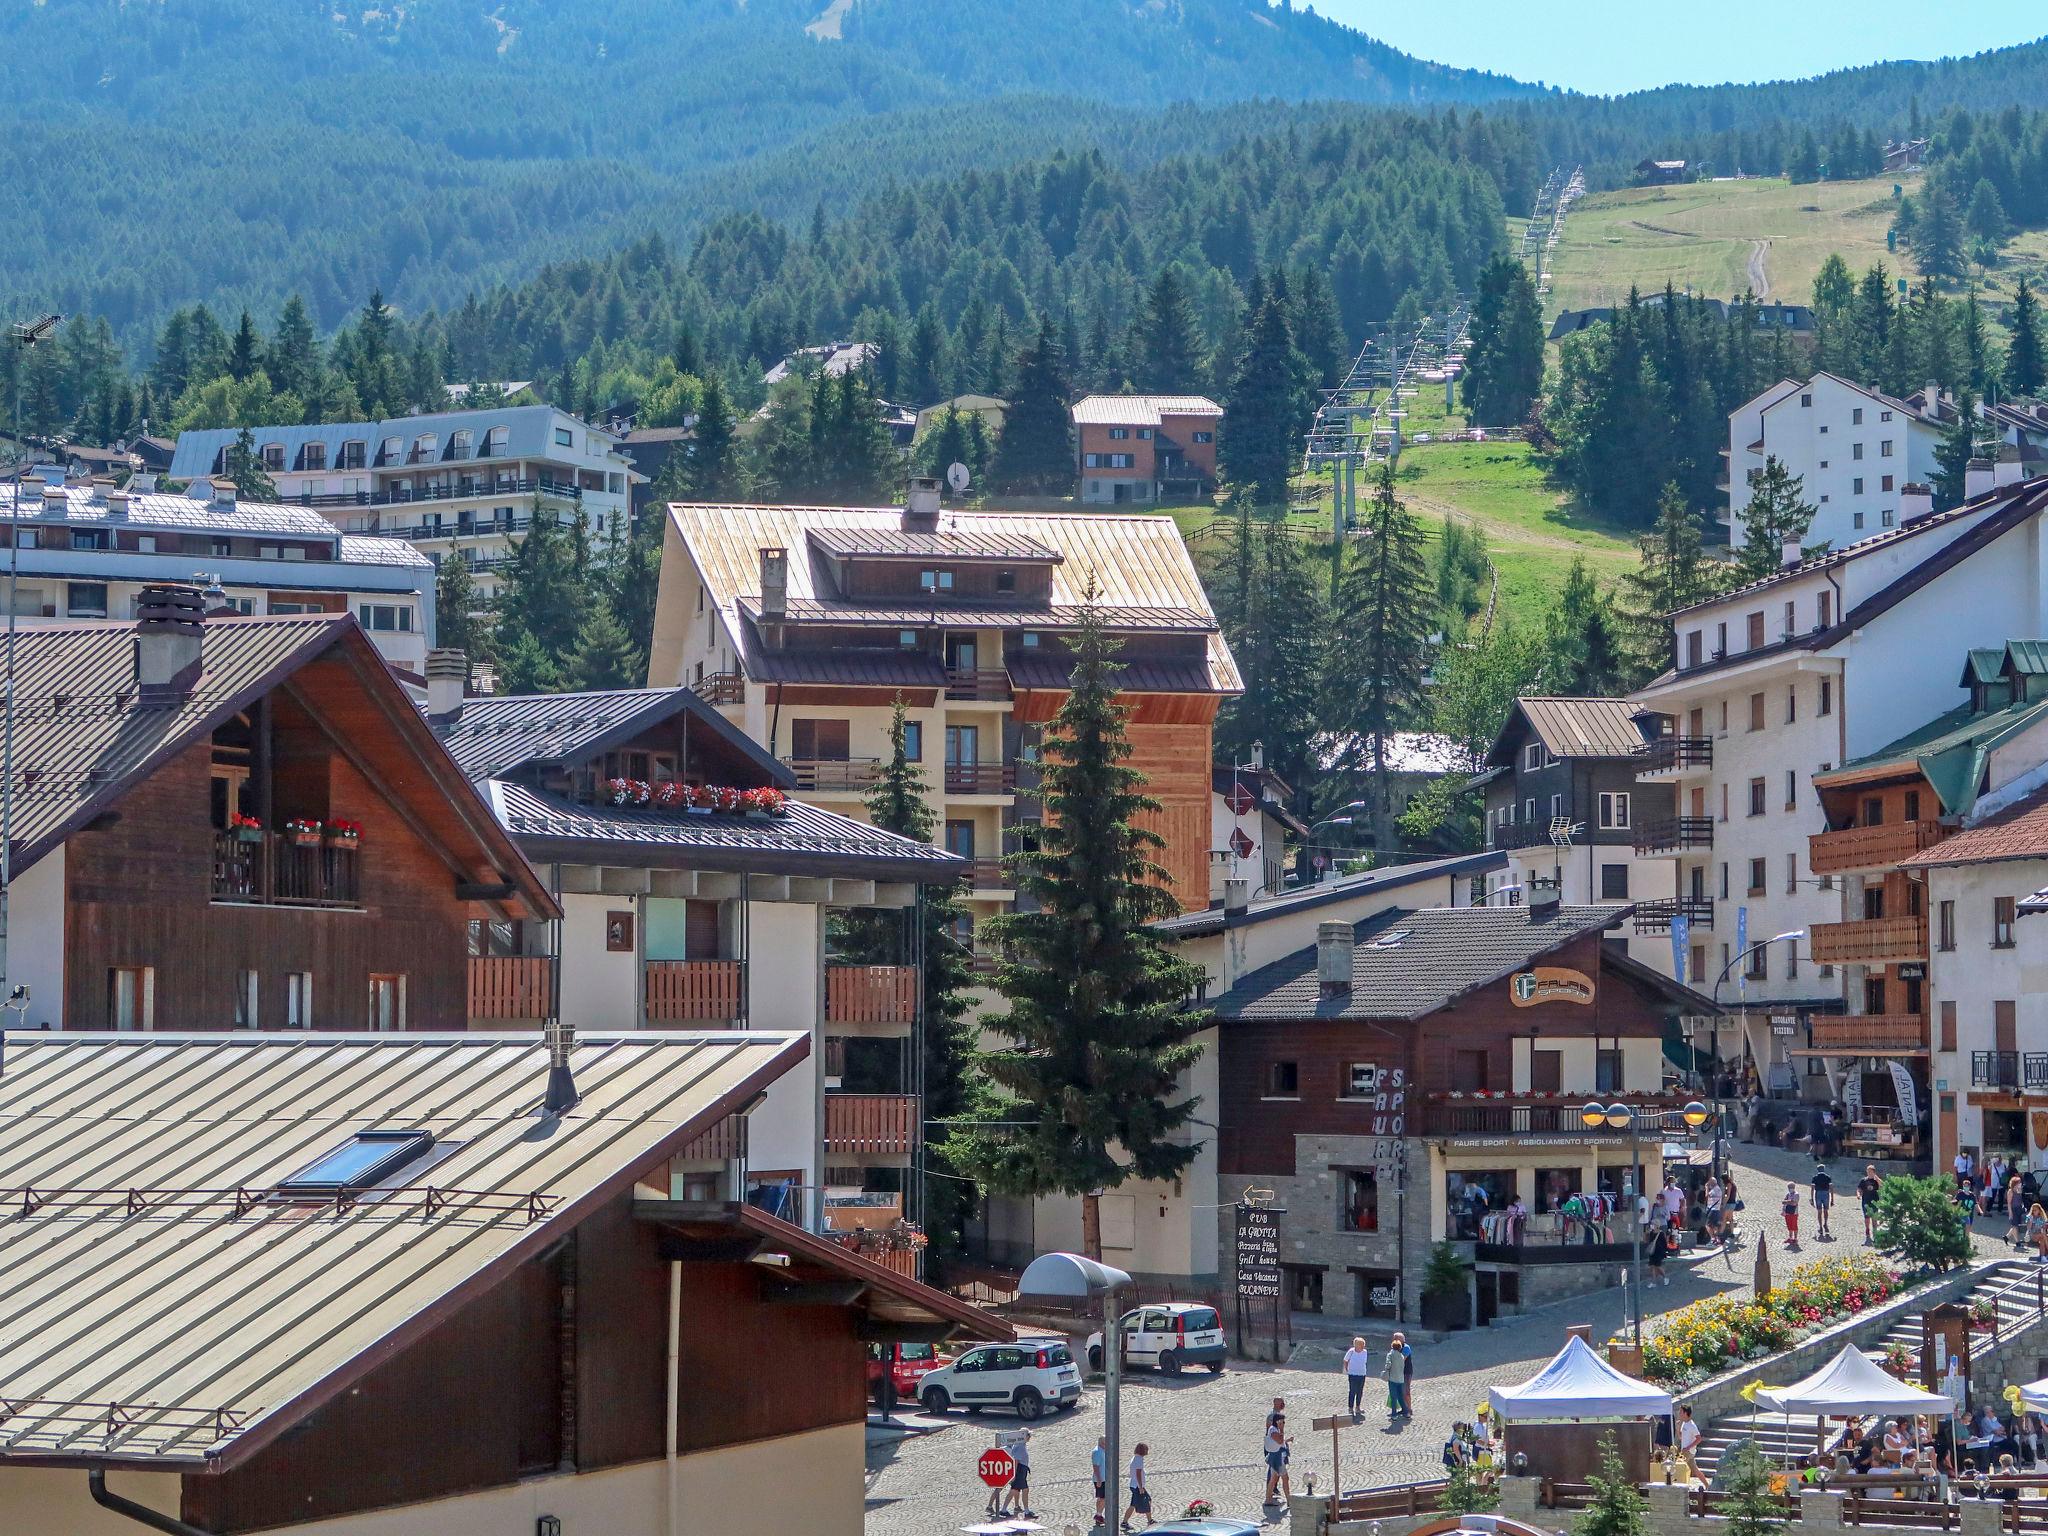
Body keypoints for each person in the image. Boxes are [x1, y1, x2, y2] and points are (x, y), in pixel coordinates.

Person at [1263, 1409, 1292, 1504]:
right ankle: (1289, 1500)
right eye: (1282, 1421)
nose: (1283, 1423)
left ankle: (1268, 1499)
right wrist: (1282, 1430)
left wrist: (1287, 1440)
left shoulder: (1275, 1429)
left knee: (1273, 1479)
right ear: (1277, 1421)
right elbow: (1279, 1441)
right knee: (1285, 1478)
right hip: (1277, 1458)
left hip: (1278, 1457)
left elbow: (1279, 1442)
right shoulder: (1273, 1429)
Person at [1003, 1430, 1034, 1518]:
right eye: (1028, 1435)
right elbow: (1016, 1460)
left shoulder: (1021, 1444)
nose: (1029, 1437)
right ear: (1024, 1436)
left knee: (1014, 1490)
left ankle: (1003, 1509)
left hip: (1022, 1470)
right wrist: (1014, 1475)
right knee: (1025, 1490)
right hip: (1020, 1471)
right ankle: (1027, 1511)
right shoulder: (1019, 1446)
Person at [1125, 1442, 1154, 1531]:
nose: (1147, 1451)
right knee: (1136, 1504)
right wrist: (1141, 1487)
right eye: (1146, 1449)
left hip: (1136, 1486)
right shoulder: (1139, 1459)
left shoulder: (1136, 1458)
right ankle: (1125, 1522)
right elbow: (1138, 1474)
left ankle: (1150, 1520)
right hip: (1137, 1486)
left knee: (1147, 1500)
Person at [1343, 1335, 1372, 1419]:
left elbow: (1364, 1362)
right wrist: (1347, 1369)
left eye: (1363, 1345)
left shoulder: (1365, 1352)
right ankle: (1350, 1407)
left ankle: (1358, 1407)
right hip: (1352, 1374)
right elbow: (1345, 1360)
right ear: (1356, 1345)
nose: (1363, 1346)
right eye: (1361, 1344)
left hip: (1362, 1374)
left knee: (1360, 1391)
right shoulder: (1351, 1351)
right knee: (1352, 1391)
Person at [1383, 1334, 1408, 1419]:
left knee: (1393, 1397)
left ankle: (1394, 1414)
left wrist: (1386, 1370)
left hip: (1393, 1379)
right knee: (1400, 1396)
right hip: (1400, 1379)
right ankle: (1406, 1412)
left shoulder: (1390, 1354)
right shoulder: (1401, 1356)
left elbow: (1388, 1365)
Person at [1676, 1405, 1701, 1483]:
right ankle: (1707, 1485)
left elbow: (1699, 1438)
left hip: (1687, 1451)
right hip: (1686, 1450)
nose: (1679, 1413)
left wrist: (1687, 1448)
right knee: (1695, 1470)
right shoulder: (1684, 1424)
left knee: (1679, 1467)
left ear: (1685, 1413)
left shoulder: (1691, 1425)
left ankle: (1679, 1484)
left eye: (1680, 1412)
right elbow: (1680, 1437)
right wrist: (1678, 1427)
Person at [1858, 1165, 1883, 1243]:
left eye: (1870, 1171)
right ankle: (1867, 1230)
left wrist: (1877, 1178)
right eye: (1867, 1171)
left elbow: (1882, 1185)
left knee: (1874, 1218)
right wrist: (1858, 1194)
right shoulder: (1863, 1180)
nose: (1868, 1173)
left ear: (1874, 1172)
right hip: (1865, 1201)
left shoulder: (1876, 1180)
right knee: (1867, 1218)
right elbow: (1859, 1188)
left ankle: (1875, 1234)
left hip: (1875, 1202)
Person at [1812, 1162, 1834, 1240]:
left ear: (1817, 1170)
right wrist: (1832, 1199)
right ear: (1824, 1169)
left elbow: (1812, 1188)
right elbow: (1831, 1188)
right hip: (1826, 1194)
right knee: (1826, 1210)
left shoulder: (1815, 1177)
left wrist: (1811, 1198)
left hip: (1818, 1194)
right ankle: (1825, 1224)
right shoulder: (1828, 1177)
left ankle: (1820, 1226)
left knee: (1819, 1211)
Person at [1646, 1220, 1670, 1288]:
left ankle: (1665, 1277)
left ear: (1657, 1225)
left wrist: (1664, 1252)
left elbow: (1664, 1244)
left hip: (1659, 1252)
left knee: (1658, 1266)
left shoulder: (1661, 1233)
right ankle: (1653, 1282)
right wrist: (1647, 1234)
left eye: (1653, 1224)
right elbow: (1649, 1241)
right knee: (1652, 1266)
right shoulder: (1651, 1233)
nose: (1652, 1225)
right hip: (1652, 1251)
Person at [1093, 1436, 1108, 1526]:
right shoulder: (1098, 1452)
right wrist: (1099, 1479)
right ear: (1102, 1443)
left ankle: (1099, 1515)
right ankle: (1098, 1515)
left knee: (1102, 1497)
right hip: (1100, 1479)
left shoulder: (1102, 1450)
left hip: (1103, 1478)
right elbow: (1096, 1467)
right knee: (1102, 1498)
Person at [1783, 1181, 1802, 1250]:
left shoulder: (1796, 1194)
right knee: (1789, 1225)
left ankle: (1795, 1238)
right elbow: (1784, 1202)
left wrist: (1787, 1201)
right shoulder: (1788, 1194)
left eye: (1791, 1187)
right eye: (1789, 1187)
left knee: (1794, 1225)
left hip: (1794, 1212)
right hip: (1787, 1212)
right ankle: (1790, 1238)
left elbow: (1794, 1203)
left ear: (1793, 1187)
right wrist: (1789, 1201)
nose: (1790, 1188)